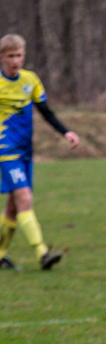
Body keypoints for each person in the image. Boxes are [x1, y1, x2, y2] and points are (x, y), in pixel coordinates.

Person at [0, 34, 79, 272]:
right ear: (2, 57)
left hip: (25, 152)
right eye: (10, 56)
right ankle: (42, 252)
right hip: (5, 152)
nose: (15, 60)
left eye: (19, 55)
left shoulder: (30, 80)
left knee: (13, 207)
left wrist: (66, 132)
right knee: (24, 198)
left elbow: (45, 111)